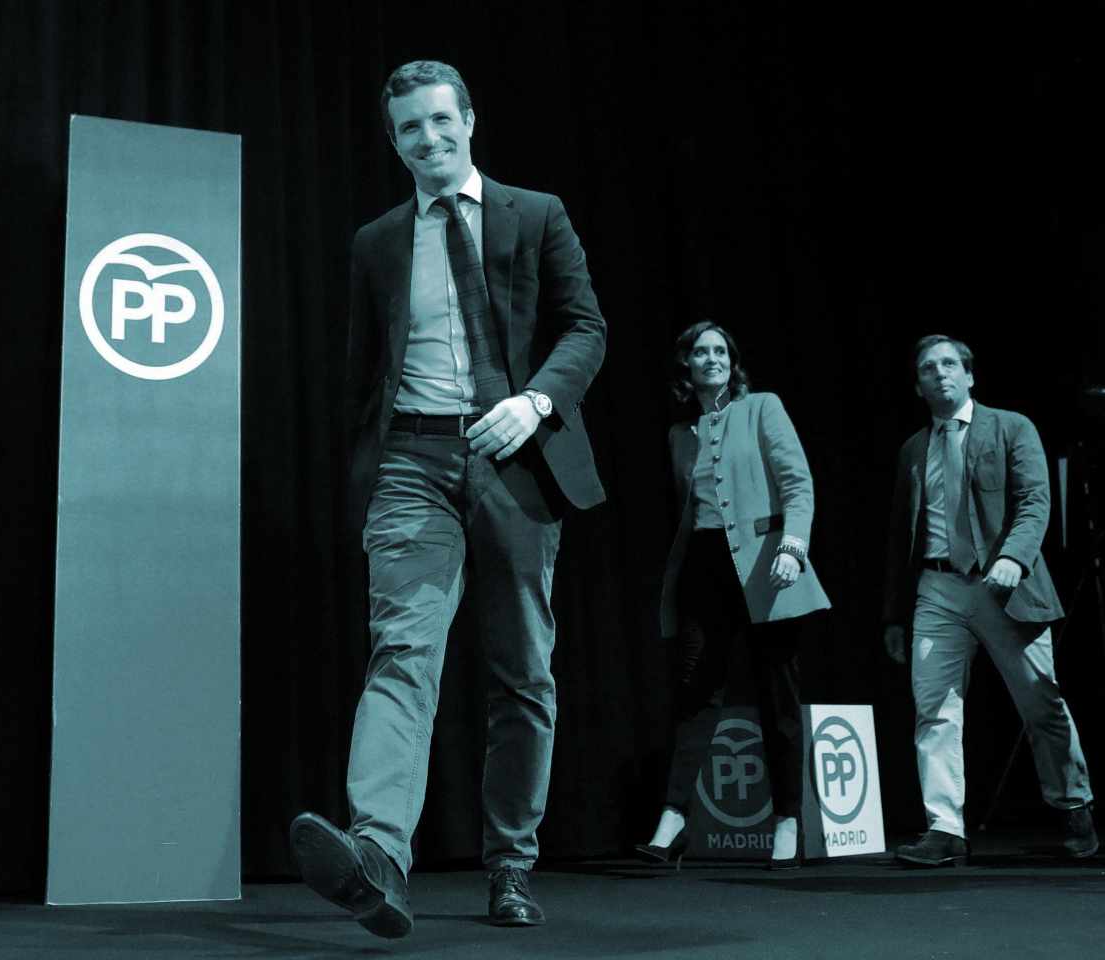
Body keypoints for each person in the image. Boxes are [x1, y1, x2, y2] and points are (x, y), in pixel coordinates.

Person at [289, 60, 606, 939]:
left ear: (469, 118)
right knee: (403, 652)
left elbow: (587, 328)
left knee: (524, 676)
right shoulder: (377, 241)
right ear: (394, 142)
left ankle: (510, 867)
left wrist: (536, 400)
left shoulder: (535, 214)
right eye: (409, 130)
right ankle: (377, 855)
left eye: (440, 121)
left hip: (514, 458)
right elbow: (364, 372)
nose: (428, 140)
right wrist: (370, 465)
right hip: (412, 463)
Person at [883, 335, 1096, 866]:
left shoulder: (1010, 427)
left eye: (949, 364)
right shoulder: (913, 449)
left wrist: (1014, 557)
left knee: (1039, 703)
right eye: (928, 368)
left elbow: (1034, 499)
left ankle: (1073, 803)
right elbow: (898, 539)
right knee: (934, 709)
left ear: (969, 375)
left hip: (1004, 585)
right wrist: (892, 613)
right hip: (937, 589)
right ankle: (945, 828)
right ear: (918, 385)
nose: (940, 374)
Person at [639, 322, 830, 870]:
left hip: (765, 564)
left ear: (733, 361)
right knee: (697, 691)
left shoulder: (762, 407)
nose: (712, 358)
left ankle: (789, 819)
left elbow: (797, 481)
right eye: (701, 351)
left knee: (777, 691)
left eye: (720, 350)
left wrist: (793, 545)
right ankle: (673, 819)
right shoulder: (680, 433)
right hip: (704, 568)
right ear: (687, 365)